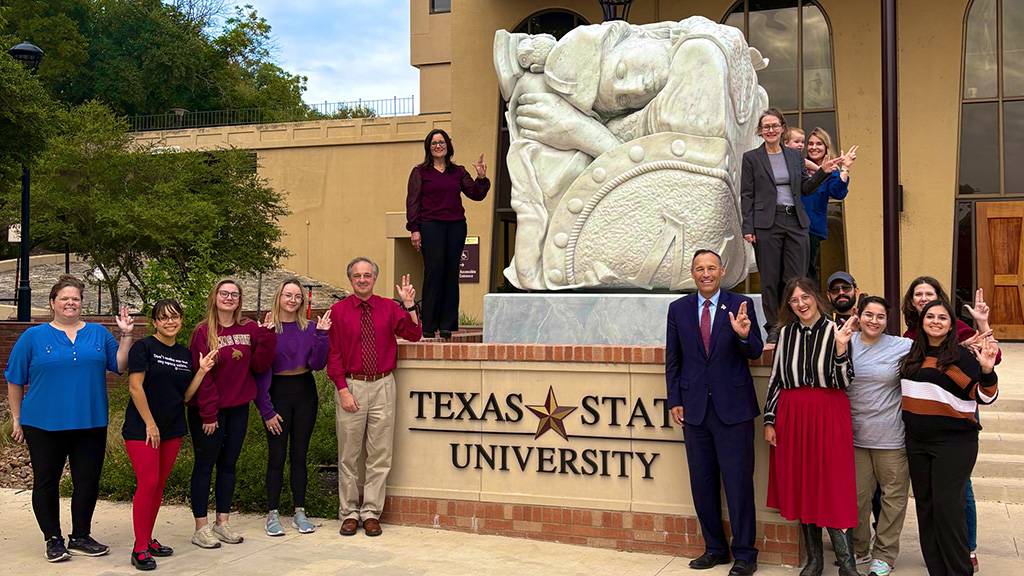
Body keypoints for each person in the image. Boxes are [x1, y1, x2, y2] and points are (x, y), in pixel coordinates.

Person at [5, 275, 135, 562]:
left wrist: (126, 335)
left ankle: (80, 536)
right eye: (64, 298)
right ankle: (53, 538)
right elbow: (14, 379)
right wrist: (17, 417)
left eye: (75, 298)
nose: (70, 303)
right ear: (52, 303)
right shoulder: (32, 337)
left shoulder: (99, 334)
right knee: (46, 482)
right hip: (43, 423)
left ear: (81, 302)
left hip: (89, 421)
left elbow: (120, 366)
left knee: (87, 481)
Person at [666, 249, 764, 576]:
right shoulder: (677, 309)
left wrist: (743, 334)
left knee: (738, 484)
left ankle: (745, 554)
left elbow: (754, 351)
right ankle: (715, 548)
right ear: (692, 274)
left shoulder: (739, 305)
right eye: (699, 269)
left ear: (722, 272)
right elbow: (674, 361)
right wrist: (674, 399)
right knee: (702, 483)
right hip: (694, 411)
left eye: (711, 268)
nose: (705, 274)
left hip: (733, 410)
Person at [763, 277, 858, 576]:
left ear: (816, 297)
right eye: (794, 300)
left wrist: (841, 348)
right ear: (789, 305)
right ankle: (814, 561)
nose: (801, 304)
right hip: (792, 414)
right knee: (804, 483)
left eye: (805, 297)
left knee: (833, 483)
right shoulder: (786, 333)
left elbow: (844, 381)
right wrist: (770, 419)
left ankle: (847, 564)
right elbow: (777, 378)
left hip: (829, 411)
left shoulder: (836, 330)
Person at [901, 277, 995, 572]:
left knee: (948, 509)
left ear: (952, 324)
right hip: (917, 443)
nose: (936, 321)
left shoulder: (962, 355)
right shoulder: (912, 354)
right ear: (921, 320)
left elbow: (986, 396)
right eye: (930, 316)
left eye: (942, 317)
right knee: (926, 509)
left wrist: (988, 371)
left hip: (954, 444)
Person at [327, 258, 422, 537]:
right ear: (350, 279)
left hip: (383, 385)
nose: (362, 279)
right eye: (357, 275)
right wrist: (342, 389)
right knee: (349, 455)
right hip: (352, 386)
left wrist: (408, 305)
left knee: (379, 454)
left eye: (367, 275)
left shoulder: (388, 308)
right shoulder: (339, 311)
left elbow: (413, 334)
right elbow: (333, 355)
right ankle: (349, 513)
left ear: (374, 279)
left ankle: (370, 512)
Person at [124, 300, 217, 571]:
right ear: (154, 322)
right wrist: (150, 424)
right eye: (163, 318)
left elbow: (186, 396)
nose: (169, 322)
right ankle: (139, 548)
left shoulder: (184, 354)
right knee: (148, 482)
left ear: (181, 319)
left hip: (173, 428)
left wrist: (201, 370)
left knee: (159, 485)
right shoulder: (143, 348)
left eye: (174, 317)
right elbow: (135, 387)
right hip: (143, 429)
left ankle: (148, 539)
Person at [188, 279, 277, 548]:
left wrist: (268, 335)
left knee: (228, 466)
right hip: (209, 412)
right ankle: (201, 527)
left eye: (234, 294)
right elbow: (202, 376)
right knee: (204, 466)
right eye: (224, 293)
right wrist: (208, 414)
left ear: (240, 299)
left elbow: (260, 365)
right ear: (214, 297)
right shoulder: (203, 332)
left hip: (238, 408)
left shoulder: (249, 327)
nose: (229, 298)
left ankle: (222, 522)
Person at [741, 109, 840, 344]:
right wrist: (748, 227)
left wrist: (823, 172)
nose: (771, 130)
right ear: (760, 131)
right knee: (770, 278)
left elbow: (805, 188)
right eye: (766, 126)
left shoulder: (794, 157)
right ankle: (775, 325)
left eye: (775, 125)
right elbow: (747, 194)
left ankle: (794, 322)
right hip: (767, 223)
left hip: (795, 221)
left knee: (795, 277)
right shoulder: (752, 158)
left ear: (782, 128)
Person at [257, 278, 331, 537]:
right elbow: (259, 370)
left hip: (304, 392)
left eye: (297, 296)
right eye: (287, 295)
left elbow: (319, 364)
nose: (292, 300)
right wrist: (266, 410)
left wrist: (322, 335)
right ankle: (273, 514)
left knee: (299, 455)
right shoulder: (267, 329)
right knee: (277, 456)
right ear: (279, 297)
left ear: (302, 300)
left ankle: (300, 511)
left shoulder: (310, 327)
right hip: (277, 392)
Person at [848, 296, 912, 576]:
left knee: (893, 500)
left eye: (881, 316)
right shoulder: (844, 343)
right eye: (869, 315)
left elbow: (939, 347)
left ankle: (884, 554)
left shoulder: (901, 346)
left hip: (891, 438)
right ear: (858, 315)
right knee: (857, 499)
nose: (874, 321)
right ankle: (860, 547)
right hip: (854, 438)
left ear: (888, 320)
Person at [406, 128, 489, 339]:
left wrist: (481, 178)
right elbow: (413, 202)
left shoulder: (458, 172)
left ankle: (446, 325)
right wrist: (415, 229)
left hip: (455, 226)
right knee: (434, 272)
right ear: (428, 147)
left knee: (451, 273)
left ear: (447, 145)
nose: (438, 146)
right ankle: (428, 325)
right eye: (434, 143)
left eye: (441, 142)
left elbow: (476, 194)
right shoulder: (420, 172)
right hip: (430, 226)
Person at [800, 128, 856, 282]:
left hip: (812, 228)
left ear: (826, 147)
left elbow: (838, 193)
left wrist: (845, 168)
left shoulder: (831, 171)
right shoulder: (798, 166)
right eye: (810, 143)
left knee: (808, 271)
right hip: (792, 225)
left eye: (819, 143)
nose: (814, 147)